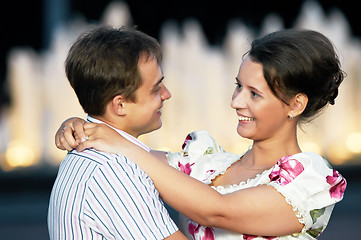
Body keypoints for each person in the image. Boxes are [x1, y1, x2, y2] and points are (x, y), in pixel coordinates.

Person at [57, 29, 347, 239]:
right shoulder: (206, 163)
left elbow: (217, 211)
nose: (236, 101)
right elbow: (127, 151)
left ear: (295, 104)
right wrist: (83, 124)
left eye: (254, 94)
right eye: (238, 86)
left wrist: (118, 142)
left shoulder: (308, 181)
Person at [48, 25, 188, 239]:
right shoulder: (113, 171)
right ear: (119, 105)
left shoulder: (94, 157)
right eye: (155, 89)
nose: (166, 94)